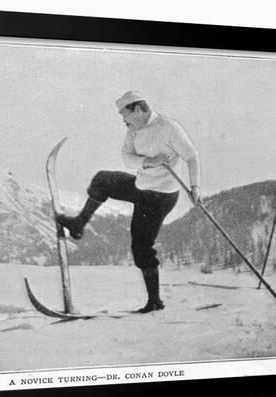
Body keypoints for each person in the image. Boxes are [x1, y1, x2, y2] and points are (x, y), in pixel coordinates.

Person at [57, 91, 202, 313]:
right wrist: (148, 161)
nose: (123, 120)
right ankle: (78, 225)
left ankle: (155, 301)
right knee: (102, 180)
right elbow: (126, 158)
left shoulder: (168, 127)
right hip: (141, 187)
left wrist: (195, 188)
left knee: (141, 246)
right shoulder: (133, 130)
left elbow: (191, 156)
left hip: (160, 196)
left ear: (137, 109)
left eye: (124, 114)